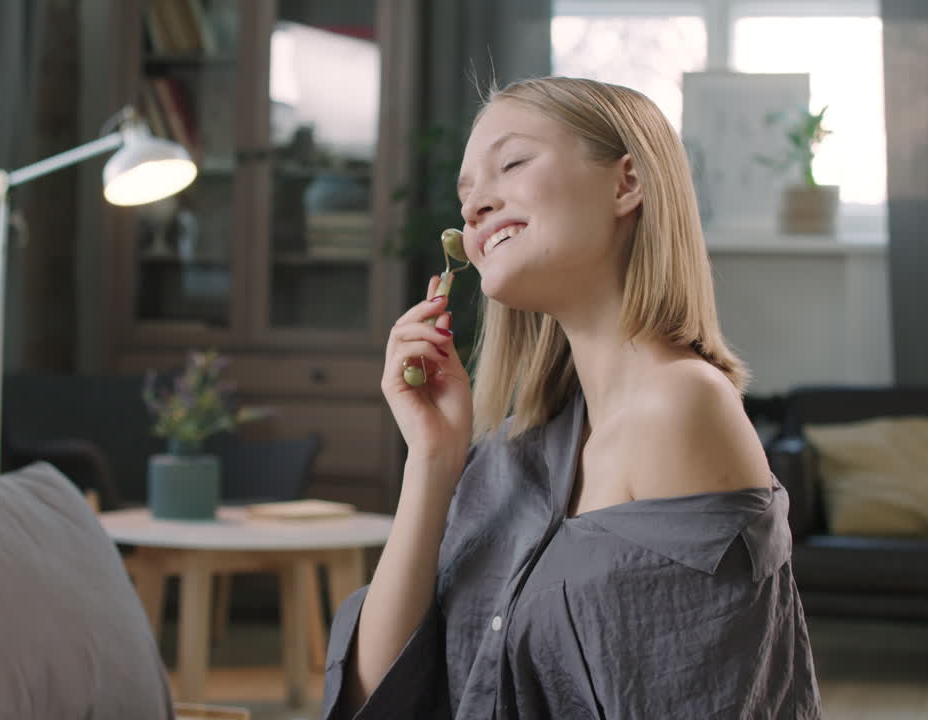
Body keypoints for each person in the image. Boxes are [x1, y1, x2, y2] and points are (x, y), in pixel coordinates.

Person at [321, 76, 822, 719]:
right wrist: (433, 459)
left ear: (627, 184)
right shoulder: (513, 451)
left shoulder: (680, 407)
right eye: (466, 196)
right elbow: (377, 697)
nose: (473, 209)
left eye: (513, 163)